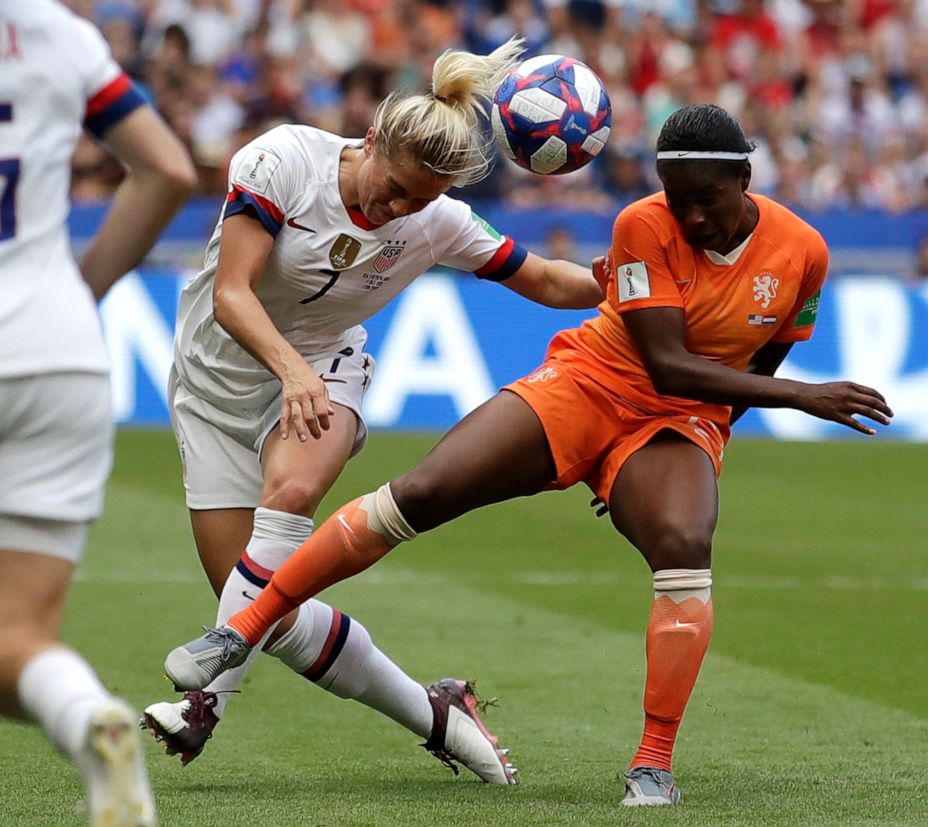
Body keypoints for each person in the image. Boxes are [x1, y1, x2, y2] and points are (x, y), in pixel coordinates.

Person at [164, 103, 894, 805]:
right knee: (420, 491)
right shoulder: (643, 222)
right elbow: (665, 361)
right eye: (679, 200)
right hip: (589, 381)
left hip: (673, 420)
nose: (691, 217)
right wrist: (806, 397)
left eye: (706, 200)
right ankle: (245, 630)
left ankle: (652, 766)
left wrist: (691, 450)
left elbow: (755, 362)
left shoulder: (805, 253)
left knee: (683, 542)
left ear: (746, 181)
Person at [141, 36, 605, 785]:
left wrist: (626, 275)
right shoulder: (283, 159)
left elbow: (549, 281)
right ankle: (439, 712)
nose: (396, 210)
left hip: (326, 370)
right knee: (275, 614)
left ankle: (206, 704)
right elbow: (232, 295)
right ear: (372, 139)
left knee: (289, 497)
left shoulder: (438, 222)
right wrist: (288, 370)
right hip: (213, 388)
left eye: (416, 202)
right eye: (393, 189)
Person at [0, 1, 196, 825]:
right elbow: (167, 170)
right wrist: (75, 297)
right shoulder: (60, 32)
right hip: (58, 355)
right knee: (12, 647)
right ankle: (87, 715)